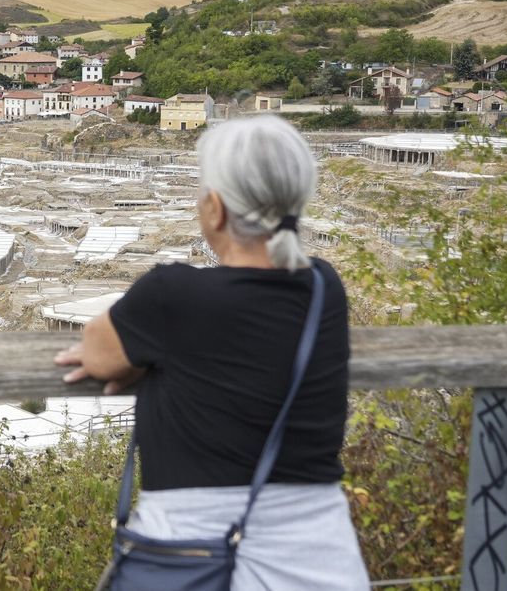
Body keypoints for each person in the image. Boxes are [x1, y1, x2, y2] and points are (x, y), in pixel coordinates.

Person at [55, 115, 369, 590]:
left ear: (215, 209)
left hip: (186, 555)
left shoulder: (171, 293)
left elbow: (98, 355)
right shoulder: (325, 287)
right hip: (321, 560)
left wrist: (144, 363)